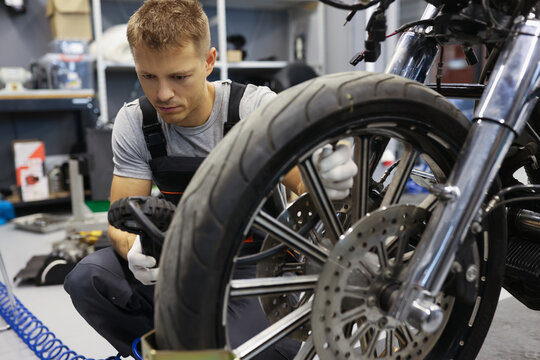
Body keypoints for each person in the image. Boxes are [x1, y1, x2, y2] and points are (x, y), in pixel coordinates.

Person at [64, 0, 358, 358]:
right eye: (148, 76)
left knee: (258, 351)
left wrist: (325, 175)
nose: (162, 94)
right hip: (177, 259)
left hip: (254, 268)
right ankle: (166, 351)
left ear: (208, 62)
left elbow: (303, 180)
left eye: (179, 77)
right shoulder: (136, 123)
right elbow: (120, 217)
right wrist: (136, 250)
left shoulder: (252, 109)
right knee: (89, 278)